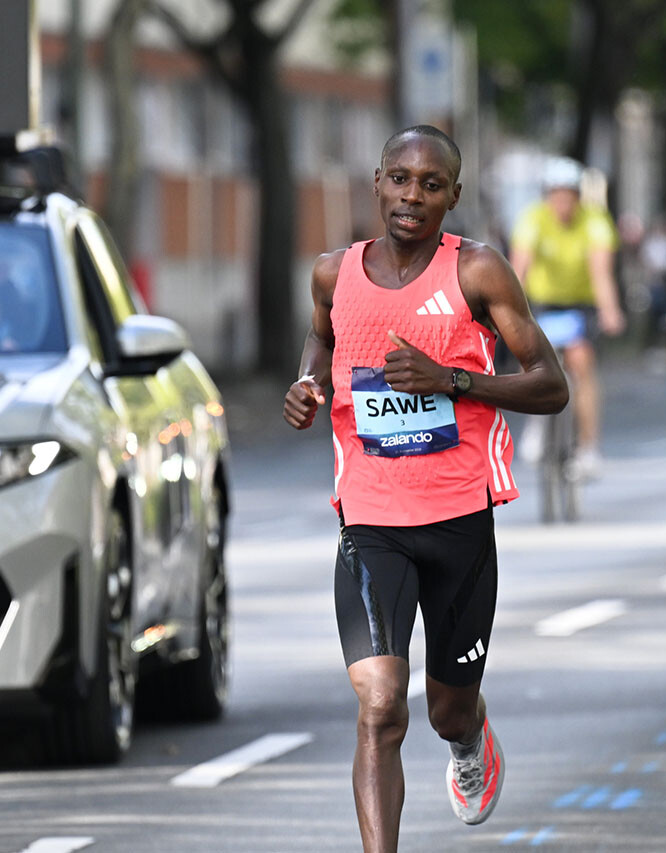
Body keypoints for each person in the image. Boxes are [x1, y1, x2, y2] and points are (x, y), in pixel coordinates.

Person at [283, 125, 569, 852]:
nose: (413, 196)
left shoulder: (479, 272)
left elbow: (550, 385)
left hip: (459, 518)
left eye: (431, 184)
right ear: (377, 182)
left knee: (445, 709)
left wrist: (453, 380)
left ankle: (470, 739)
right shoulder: (331, 272)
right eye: (400, 179)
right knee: (380, 706)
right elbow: (324, 338)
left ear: (454, 195)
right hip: (371, 517)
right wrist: (310, 382)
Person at [508, 157, 624, 479]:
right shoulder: (532, 220)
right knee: (526, 351)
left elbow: (601, 273)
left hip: (580, 304)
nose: (562, 202)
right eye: (555, 195)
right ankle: (536, 420)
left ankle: (588, 447)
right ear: (546, 196)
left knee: (581, 361)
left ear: (577, 196)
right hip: (542, 302)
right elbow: (519, 271)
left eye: (568, 195)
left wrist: (610, 311)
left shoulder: (595, 221)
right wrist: (507, 313)